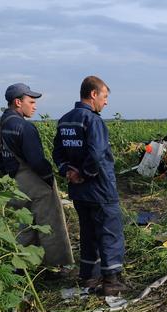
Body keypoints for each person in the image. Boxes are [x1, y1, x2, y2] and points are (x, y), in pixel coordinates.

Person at [52, 76, 125, 296]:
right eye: (104, 97)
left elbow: (57, 152)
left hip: (79, 191)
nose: (106, 102)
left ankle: (89, 277)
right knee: (110, 232)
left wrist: (68, 172)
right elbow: (97, 153)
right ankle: (111, 281)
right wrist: (84, 173)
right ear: (93, 94)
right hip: (100, 188)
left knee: (88, 232)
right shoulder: (93, 121)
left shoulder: (65, 121)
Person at [0, 83, 74, 272]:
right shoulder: (24, 127)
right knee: (49, 224)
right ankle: (54, 266)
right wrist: (49, 180)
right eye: (31, 101)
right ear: (18, 102)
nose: (35, 106)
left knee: (25, 225)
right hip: (33, 181)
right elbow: (37, 161)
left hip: (13, 181)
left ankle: (22, 268)